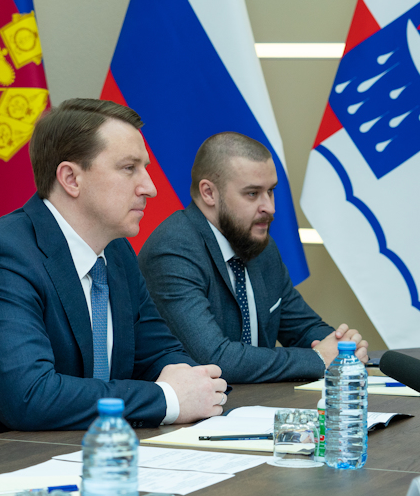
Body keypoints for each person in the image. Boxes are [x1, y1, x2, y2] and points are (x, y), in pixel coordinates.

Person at [0, 98, 227, 436]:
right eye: (129, 168)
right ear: (71, 178)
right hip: (5, 457)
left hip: (92, 447)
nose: (150, 188)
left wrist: (196, 385)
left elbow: (160, 354)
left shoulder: (116, 252)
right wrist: (167, 399)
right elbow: (31, 397)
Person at [138, 131, 368, 384]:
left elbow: (303, 327)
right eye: (252, 194)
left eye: (271, 191)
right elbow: (215, 359)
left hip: (260, 402)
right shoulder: (173, 250)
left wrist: (344, 348)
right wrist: (318, 359)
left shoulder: (260, 246)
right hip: (201, 407)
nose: (270, 207)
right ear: (209, 193)